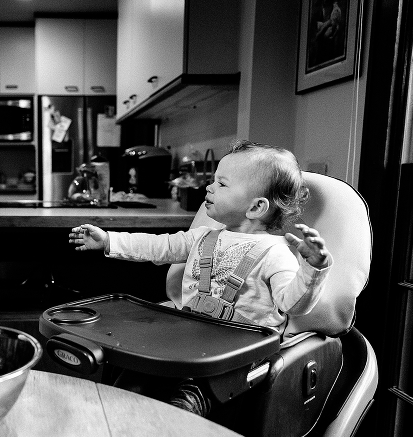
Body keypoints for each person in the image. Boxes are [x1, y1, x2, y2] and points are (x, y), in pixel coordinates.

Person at [68, 140, 333, 415]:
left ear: (255, 207)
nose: (209, 187)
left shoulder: (275, 253)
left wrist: (312, 269)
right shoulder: (203, 237)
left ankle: (177, 434)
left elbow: (292, 304)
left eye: (222, 184)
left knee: (189, 399)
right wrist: (109, 240)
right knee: (133, 375)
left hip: (238, 356)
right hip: (191, 343)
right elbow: (158, 246)